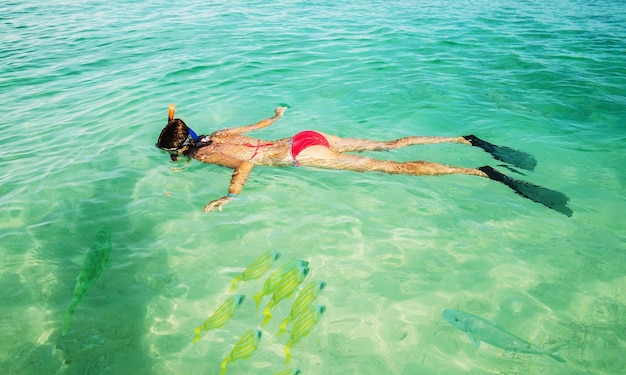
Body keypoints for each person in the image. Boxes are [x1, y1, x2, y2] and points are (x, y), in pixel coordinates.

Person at [156, 105, 572, 216]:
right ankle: (465, 139)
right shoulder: (218, 134)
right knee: (390, 146)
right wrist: (279, 118)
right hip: (302, 135)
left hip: (301, 155)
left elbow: (244, 165)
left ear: (180, 147)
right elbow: (260, 123)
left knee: (393, 170)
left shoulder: (209, 152)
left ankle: (480, 172)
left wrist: (230, 196)